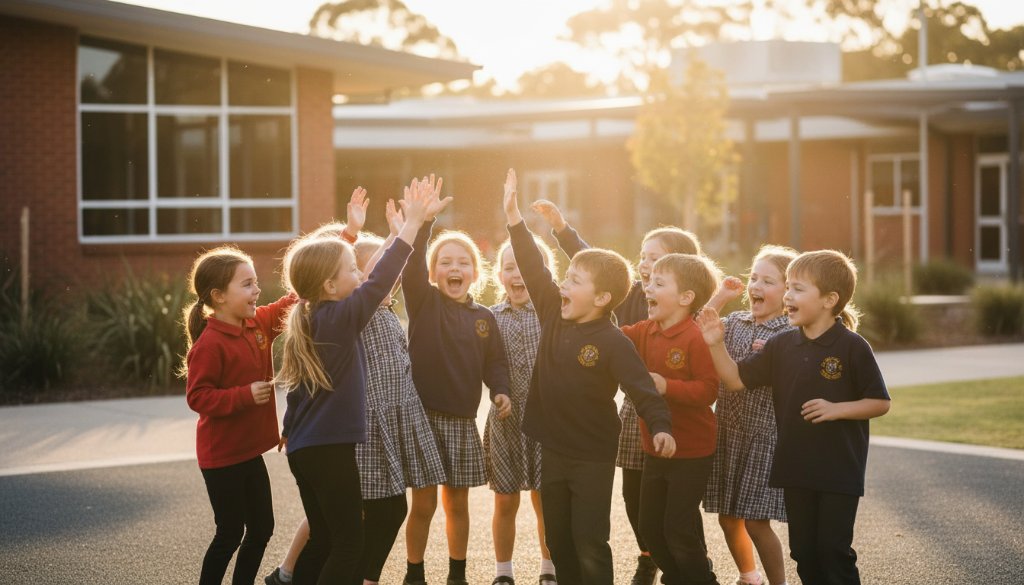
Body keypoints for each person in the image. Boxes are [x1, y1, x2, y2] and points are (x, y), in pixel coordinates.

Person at [503, 168, 676, 585]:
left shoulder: (613, 340)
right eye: (565, 277)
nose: (562, 284)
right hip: (554, 448)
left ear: (601, 298)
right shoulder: (552, 311)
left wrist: (661, 427)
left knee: (589, 540)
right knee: (558, 540)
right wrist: (513, 217)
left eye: (574, 281)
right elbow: (531, 264)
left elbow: (642, 389)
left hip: (593, 455)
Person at [265, 193, 447, 585]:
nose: (360, 277)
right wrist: (410, 227)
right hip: (329, 451)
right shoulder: (340, 317)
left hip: (304, 449)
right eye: (352, 271)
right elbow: (380, 278)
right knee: (348, 544)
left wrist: (289, 425)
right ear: (330, 285)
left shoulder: (315, 315)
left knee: (327, 538)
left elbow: (299, 389)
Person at [696, 250, 891, 585]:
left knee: (833, 551)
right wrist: (715, 343)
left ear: (830, 299)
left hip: (838, 470)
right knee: (804, 552)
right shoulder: (781, 344)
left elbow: (879, 402)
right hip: (795, 468)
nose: (788, 296)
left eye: (798, 289)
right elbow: (735, 380)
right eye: (789, 288)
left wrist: (836, 409)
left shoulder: (852, 346)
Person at [532, 199, 699, 585]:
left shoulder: (665, 308)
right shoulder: (631, 296)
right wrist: (561, 229)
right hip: (616, 419)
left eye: (657, 260)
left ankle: (683, 567)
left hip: (657, 417)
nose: (645, 265)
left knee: (659, 513)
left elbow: (601, 284)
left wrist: (660, 420)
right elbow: (596, 271)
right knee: (631, 497)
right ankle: (648, 554)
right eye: (643, 256)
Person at [402, 175, 513, 585]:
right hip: (424, 419)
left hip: (462, 423)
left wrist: (500, 391)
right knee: (424, 504)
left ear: (474, 273)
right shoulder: (424, 301)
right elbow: (411, 264)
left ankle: (457, 574)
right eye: (445, 263)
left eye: (462, 262)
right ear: (433, 274)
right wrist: (425, 223)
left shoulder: (484, 319)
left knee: (458, 505)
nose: (454, 268)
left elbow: (495, 364)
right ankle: (415, 572)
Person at [182, 246, 295, 585]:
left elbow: (295, 298)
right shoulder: (209, 344)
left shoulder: (257, 322)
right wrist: (243, 395)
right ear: (218, 296)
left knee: (262, 528)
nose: (257, 290)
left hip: (248, 452)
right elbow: (198, 397)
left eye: (256, 282)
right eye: (247, 285)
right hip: (222, 458)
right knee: (230, 533)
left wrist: (345, 236)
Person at [621, 253, 722, 585]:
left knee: (678, 528)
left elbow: (708, 391)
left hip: (692, 451)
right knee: (650, 528)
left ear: (685, 298)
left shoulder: (694, 337)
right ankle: (680, 579)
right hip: (655, 448)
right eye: (649, 282)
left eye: (659, 283)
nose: (648, 287)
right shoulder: (645, 330)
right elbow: (614, 339)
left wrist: (668, 386)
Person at [702, 245, 798, 585]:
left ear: (788, 291)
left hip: (765, 437)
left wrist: (773, 357)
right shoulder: (735, 322)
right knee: (728, 517)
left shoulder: (790, 334)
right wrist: (720, 297)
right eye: (753, 277)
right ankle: (748, 576)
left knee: (757, 520)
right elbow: (703, 326)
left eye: (768, 281)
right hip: (728, 432)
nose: (756, 286)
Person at [485, 237, 560, 585]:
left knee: (545, 498)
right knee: (505, 499)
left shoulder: (552, 315)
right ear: (499, 275)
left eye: (525, 267)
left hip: (546, 422)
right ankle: (504, 572)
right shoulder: (489, 318)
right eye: (509, 267)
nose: (517, 275)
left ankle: (549, 567)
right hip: (505, 422)